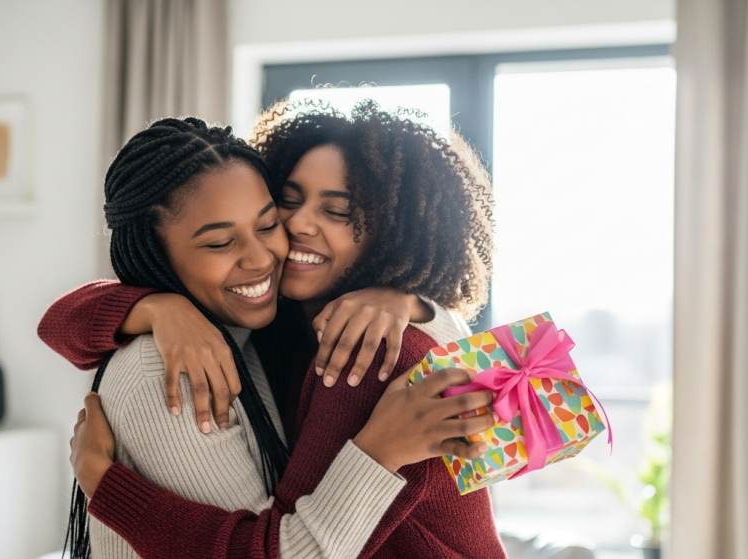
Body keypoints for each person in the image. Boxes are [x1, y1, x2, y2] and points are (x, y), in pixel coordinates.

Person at [48, 101, 506, 558]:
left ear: (394, 232)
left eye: (338, 212)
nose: (298, 224)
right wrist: (157, 309)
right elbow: (58, 324)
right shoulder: (275, 326)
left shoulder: (368, 351)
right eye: (288, 202)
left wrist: (102, 483)